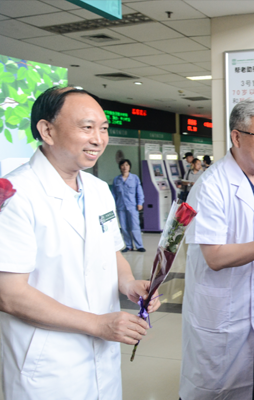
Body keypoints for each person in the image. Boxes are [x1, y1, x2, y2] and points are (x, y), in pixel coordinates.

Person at [0, 86, 160, 400]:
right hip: (48, 364)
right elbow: (9, 294)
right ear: (47, 130)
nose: (98, 139)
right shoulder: (15, 194)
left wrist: (129, 284)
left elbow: (111, 252)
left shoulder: (98, 189)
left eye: (103, 128)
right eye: (87, 127)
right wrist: (96, 324)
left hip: (102, 355)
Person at [179, 99, 254, 400]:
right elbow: (214, 257)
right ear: (236, 137)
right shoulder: (210, 186)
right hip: (218, 313)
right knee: (213, 390)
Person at [112, 159, 145, 252]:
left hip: (132, 206)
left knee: (135, 226)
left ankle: (139, 246)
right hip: (120, 206)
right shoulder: (116, 179)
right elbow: (113, 194)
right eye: (122, 165)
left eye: (127, 165)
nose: (125, 167)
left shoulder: (134, 178)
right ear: (120, 167)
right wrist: (112, 206)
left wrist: (140, 203)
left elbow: (139, 192)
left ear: (129, 167)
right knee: (124, 227)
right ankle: (128, 246)